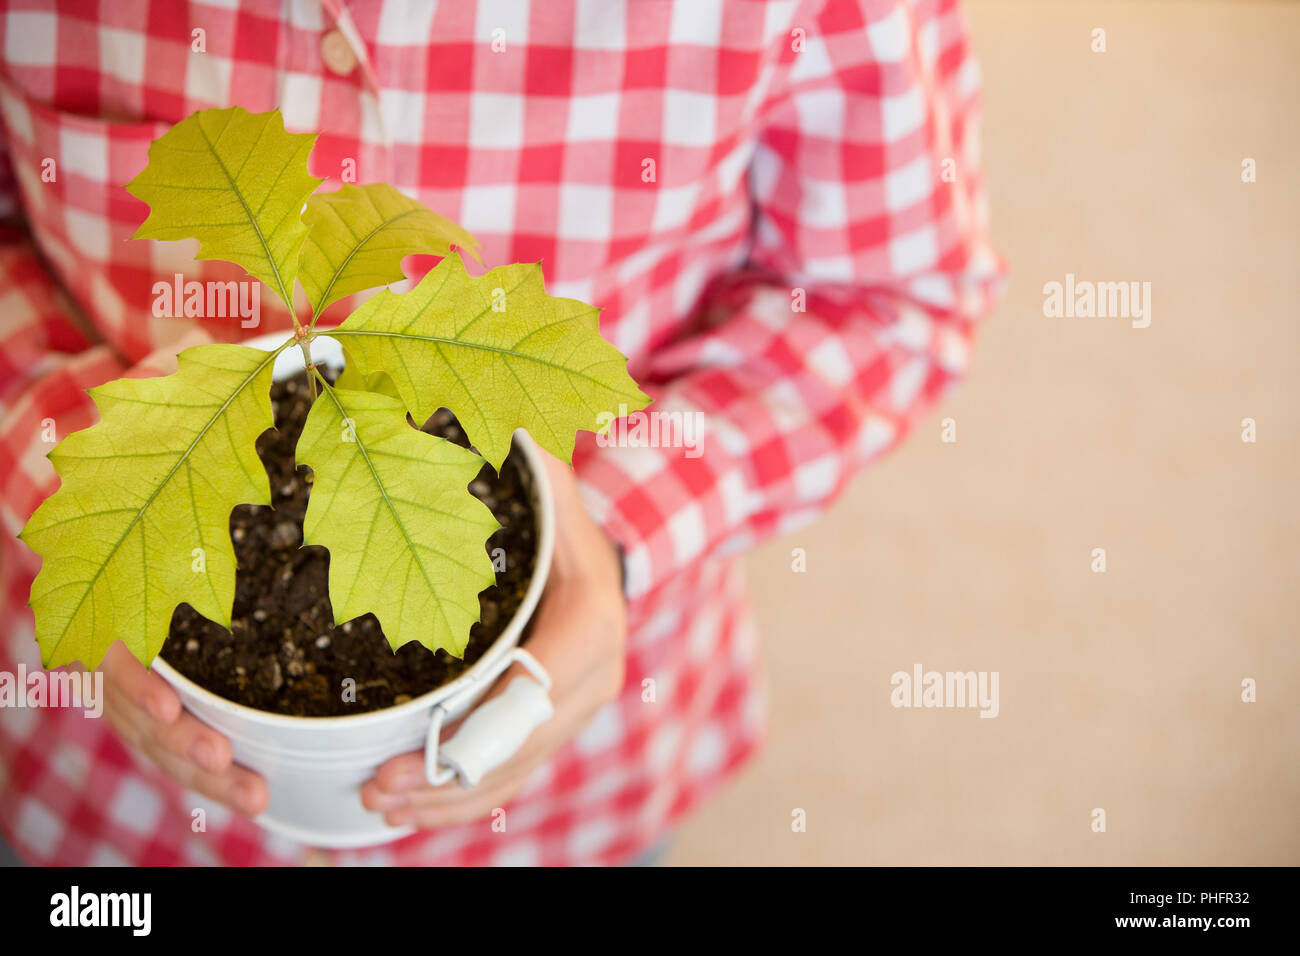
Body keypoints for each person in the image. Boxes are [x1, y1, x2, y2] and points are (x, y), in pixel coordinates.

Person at [0, 0, 1001, 865]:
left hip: (574, 795)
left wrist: (608, 532)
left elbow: (887, 297)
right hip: (107, 800)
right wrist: (83, 492)